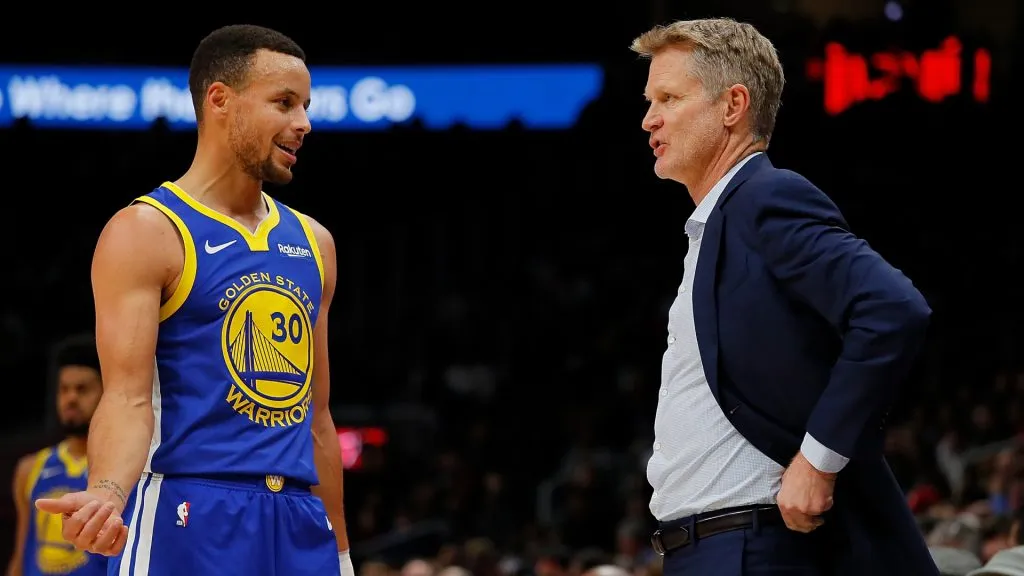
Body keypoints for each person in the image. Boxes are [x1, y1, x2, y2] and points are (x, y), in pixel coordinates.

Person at [34, 24, 355, 576]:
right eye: (283, 103)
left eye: (305, 105)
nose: (303, 123)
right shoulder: (146, 230)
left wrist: (343, 553)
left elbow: (318, 419)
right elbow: (128, 399)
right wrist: (108, 492)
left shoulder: (314, 242)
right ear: (219, 100)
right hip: (189, 512)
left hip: (301, 519)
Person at [632, 18, 937, 575]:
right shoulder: (722, 221)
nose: (648, 118)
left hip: (750, 546)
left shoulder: (764, 196)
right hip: (711, 546)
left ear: (733, 106)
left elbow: (892, 307)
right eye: (650, 100)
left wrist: (818, 461)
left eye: (668, 98)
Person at [7, 334, 107, 576]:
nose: (71, 398)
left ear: (106, 394)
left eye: (82, 389)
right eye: (64, 389)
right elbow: (23, 552)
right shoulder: (30, 468)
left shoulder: (120, 472)